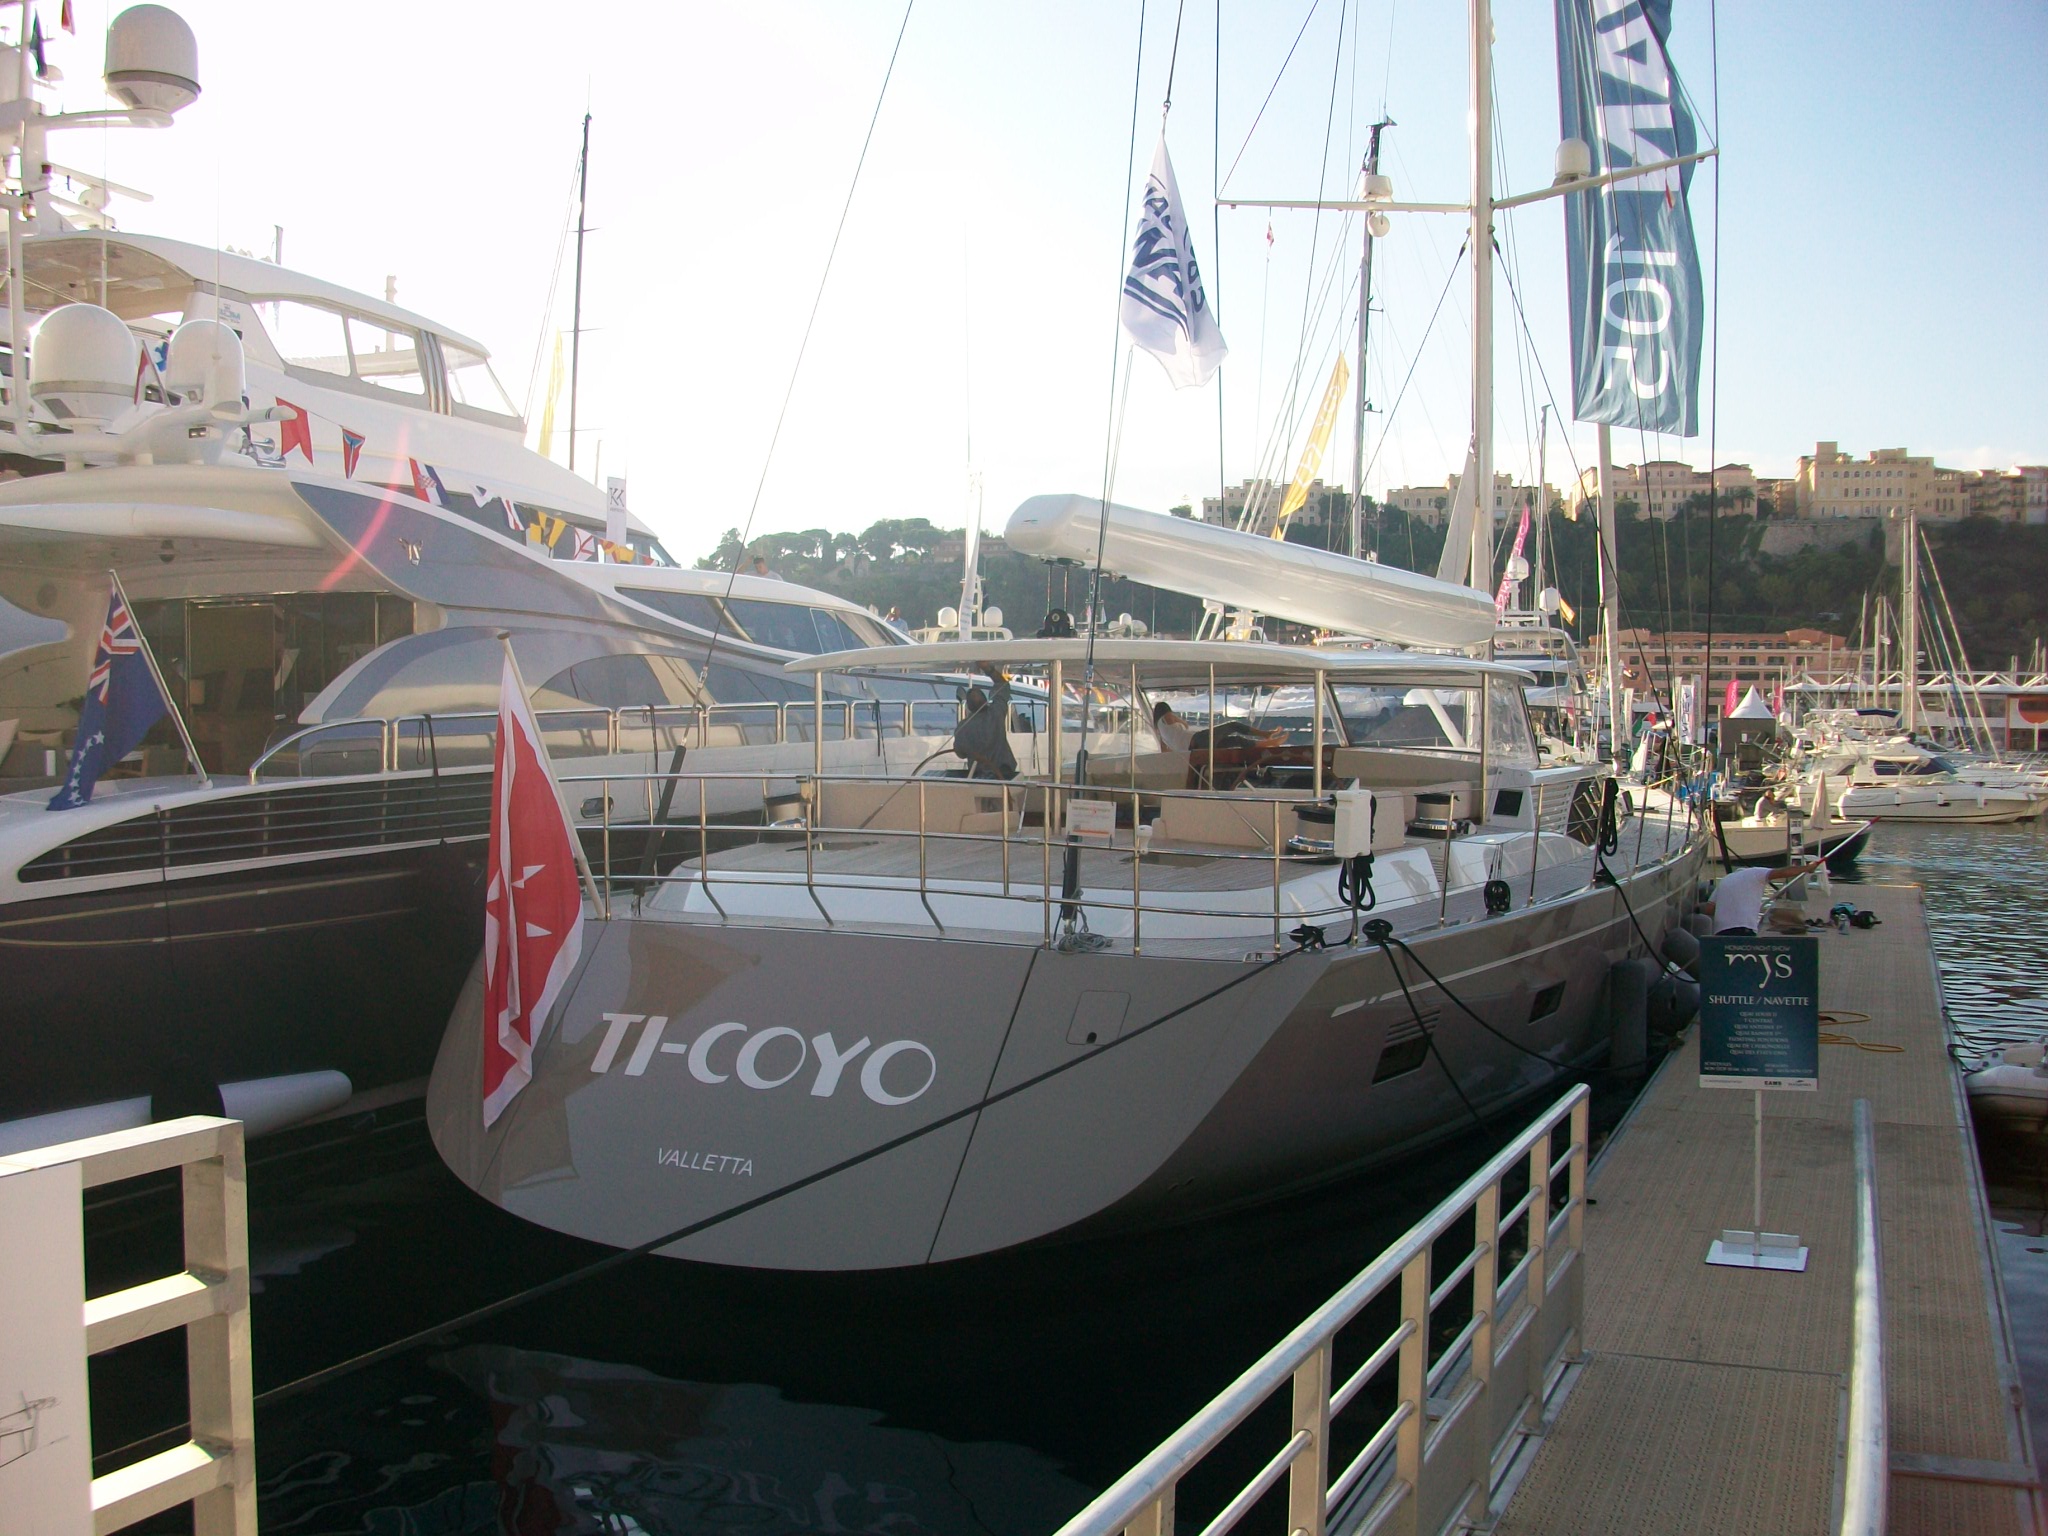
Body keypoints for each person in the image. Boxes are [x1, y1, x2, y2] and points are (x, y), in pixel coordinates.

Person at [1702, 854, 1827, 935]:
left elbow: (1709, 909)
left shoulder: (1725, 880)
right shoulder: (1756, 873)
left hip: (1721, 931)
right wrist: (1807, 868)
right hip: (1744, 928)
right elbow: (1783, 872)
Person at [952, 665, 1017, 779]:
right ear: (986, 701)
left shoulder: (963, 727)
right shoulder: (996, 713)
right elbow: (1002, 685)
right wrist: (988, 668)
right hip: (1005, 775)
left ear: (968, 706)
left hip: (979, 777)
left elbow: (960, 753)